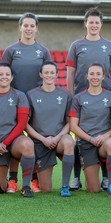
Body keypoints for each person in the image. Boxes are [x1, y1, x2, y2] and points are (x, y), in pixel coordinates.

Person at [66, 7, 111, 191]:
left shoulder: (110, 45)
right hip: (82, 98)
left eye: (97, 22)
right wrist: (71, 94)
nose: (94, 25)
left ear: (101, 24)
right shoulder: (76, 45)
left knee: (105, 134)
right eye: (91, 22)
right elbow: (70, 72)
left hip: (104, 98)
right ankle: (75, 177)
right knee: (78, 137)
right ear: (86, 24)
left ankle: (106, 177)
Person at [1, 12, 51, 193]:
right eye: (25, 25)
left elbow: (48, 75)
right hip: (14, 102)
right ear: (20, 27)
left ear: (36, 29)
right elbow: (3, 75)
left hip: (37, 102)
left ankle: (33, 179)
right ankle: (13, 179)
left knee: (34, 140)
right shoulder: (11, 50)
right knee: (15, 138)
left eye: (32, 26)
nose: (28, 29)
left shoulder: (44, 51)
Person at [0, 63, 35, 197]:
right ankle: (6, 178)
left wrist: (6, 143)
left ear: (11, 77)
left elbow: (22, 123)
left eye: (7, 74)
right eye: (1, 74)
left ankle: (26, 185)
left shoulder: (20, 96)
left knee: (28, 145)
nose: (4, 77)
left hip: (15, 141)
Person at [69, 63, 111, 198]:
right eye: (92, 74)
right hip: (86, 142)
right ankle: (90, 176)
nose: (95, 77)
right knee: (93, 189)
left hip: (104, 140)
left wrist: (104, 136)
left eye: (98, 74)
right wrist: (90, 139)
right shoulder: (78, 98)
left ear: (103, 76)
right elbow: (73, 126)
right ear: (87, 76)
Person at [25, 61, 74, 197]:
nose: (49, 75)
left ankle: (65, 186)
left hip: (59, 140)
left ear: (57, 75)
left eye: (52, 72)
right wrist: (43, 139)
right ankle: (34, 178)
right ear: (41, 74)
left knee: (69, 142)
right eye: (46, 72)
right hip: (40, 142)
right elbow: (26, 124)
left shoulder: (65, 95)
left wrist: (57, 137)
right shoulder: (31, 94)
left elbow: (70, 122)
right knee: (46, 189)